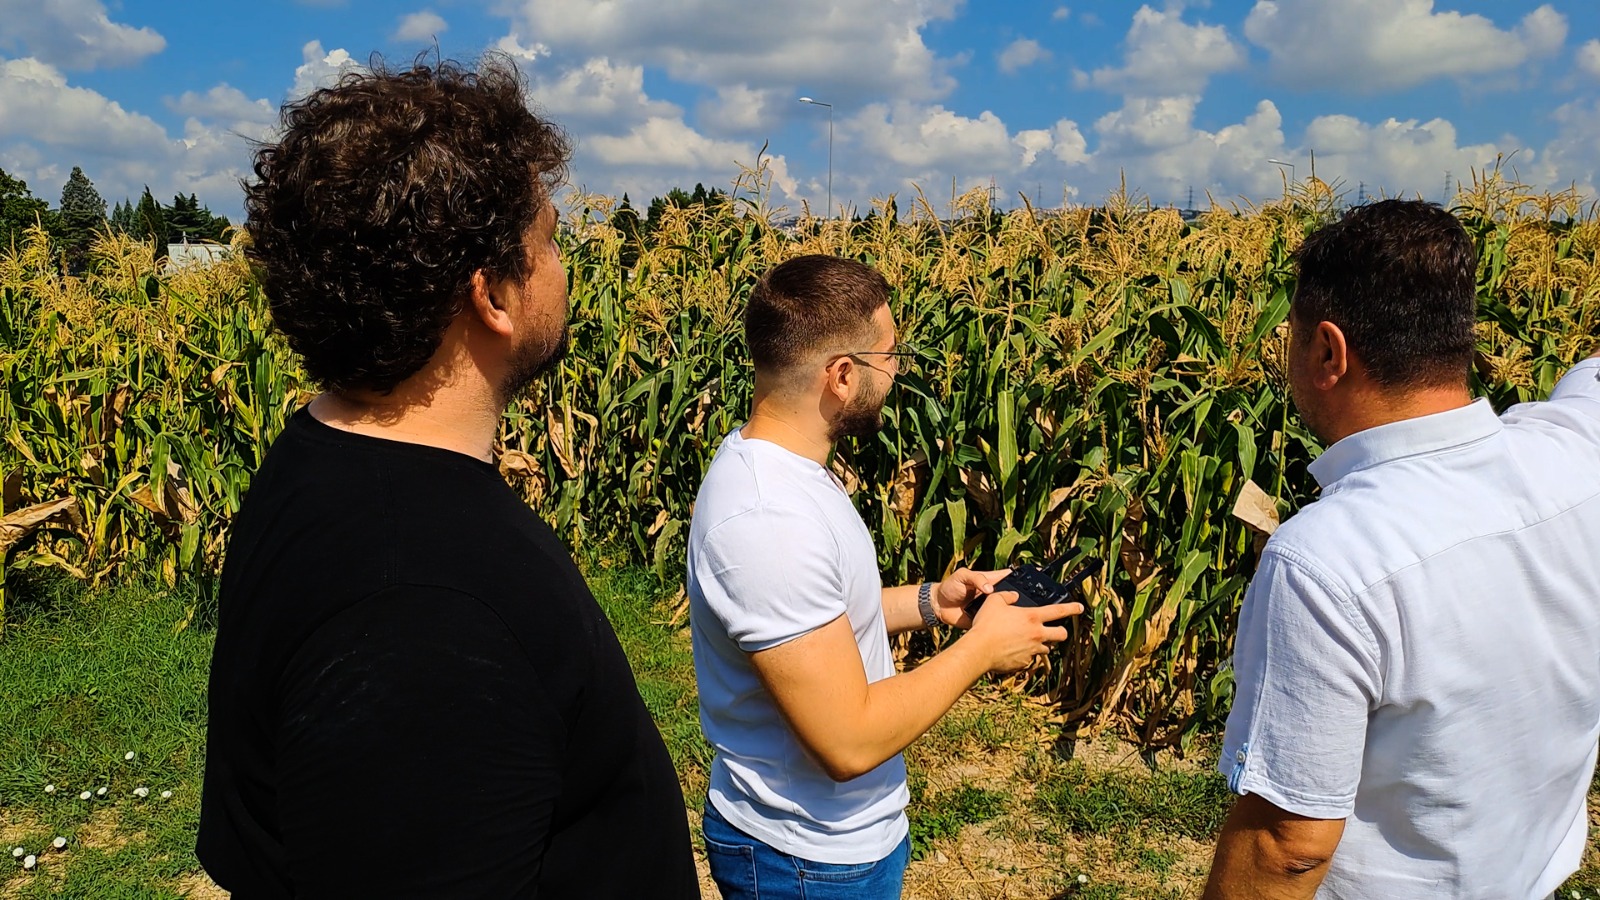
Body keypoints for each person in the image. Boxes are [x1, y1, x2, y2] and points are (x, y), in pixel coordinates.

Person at [197, 57, 699, 899]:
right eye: (547, 243)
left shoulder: (327, 455)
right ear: (494, 295)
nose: (563, 268)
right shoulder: (420, 612)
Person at [1203, 200, 1600, 899]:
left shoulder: (1326, 561)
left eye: (1288, 336)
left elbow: (1285, 848)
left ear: (1329, 351)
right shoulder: (1576, 453)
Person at [686, 254, 1082, 899]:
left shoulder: (791, 474)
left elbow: (824, 613)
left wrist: (933, 601)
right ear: (841, 376)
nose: (895, 373)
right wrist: (981, 650)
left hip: (835, 844)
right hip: (805, 859)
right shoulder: (767, 522)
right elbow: (848, 741)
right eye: (888, 356)